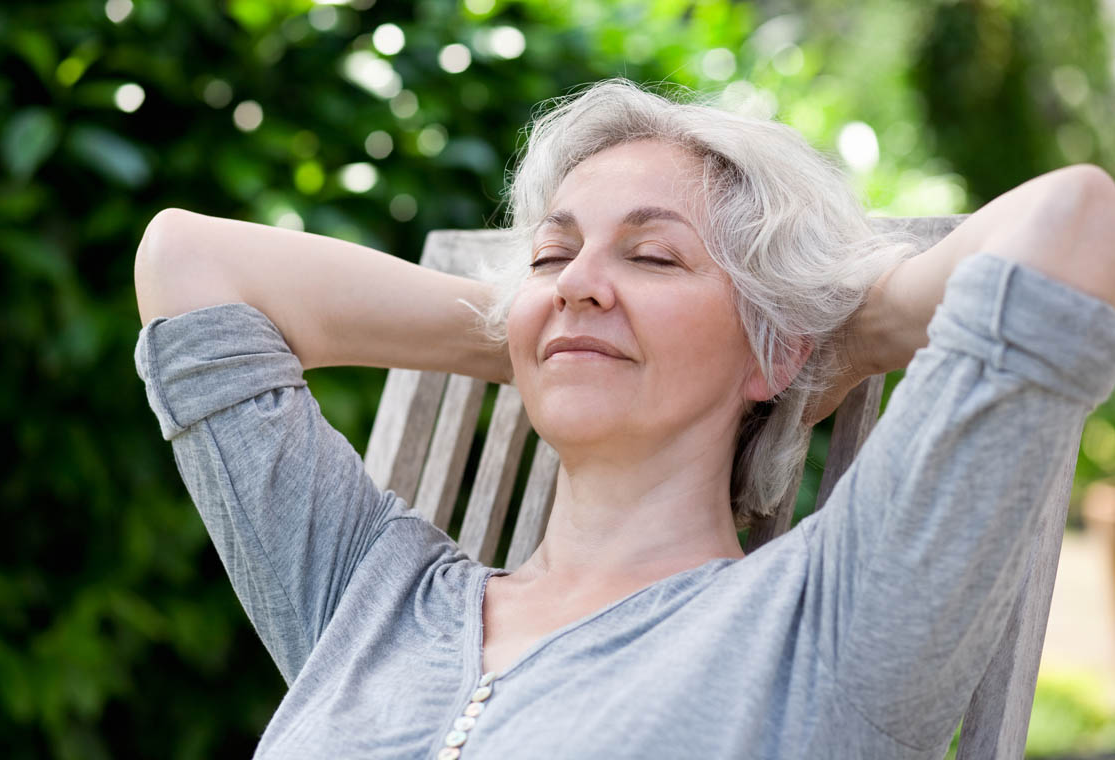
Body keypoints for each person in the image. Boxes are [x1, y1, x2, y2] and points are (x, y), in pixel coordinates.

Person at [133, 78, 1115, 759]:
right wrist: (528, 328)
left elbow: (1071, 225)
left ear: (771, 350)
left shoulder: (825, 628)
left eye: (653, 257)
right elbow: (187, 263)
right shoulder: (366, 589)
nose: (582, 286)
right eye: (553, 256)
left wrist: (830, 336)